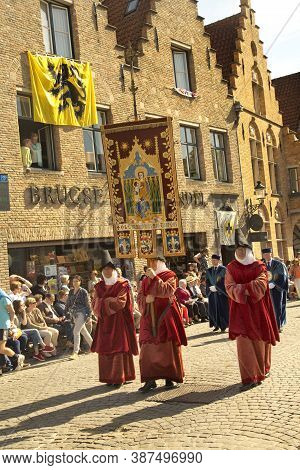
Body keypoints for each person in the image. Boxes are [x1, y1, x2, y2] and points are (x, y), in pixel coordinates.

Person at [225, 231, 279, 391]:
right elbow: (229, 287)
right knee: (244, 344)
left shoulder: (259, 266)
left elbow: (261, 284)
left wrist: (242, 288)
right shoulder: (231, 267)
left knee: (259, 341)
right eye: (237, 250)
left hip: (258, 311)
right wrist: (246, 289)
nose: (240, 252)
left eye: (243, 249)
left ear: (248, 250)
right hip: (240, 312)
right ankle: (249, 377)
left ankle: (261, 371)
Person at [137, 250, 187, 393]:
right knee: (147, 348)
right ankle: (150, 379)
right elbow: (140, 295)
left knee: (167, 347)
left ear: (159, 262)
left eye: (153, 262)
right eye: (149, 262)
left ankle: (169, 377)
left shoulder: (170, 275)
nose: (151, 265)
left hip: (165, 317)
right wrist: (145, 300)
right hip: (148, 317)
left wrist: (156, 279)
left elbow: (168, 291)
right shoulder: (145, 279)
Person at [91, 251, 138, 386]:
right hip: (104, 322)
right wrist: (105, 302)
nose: (107, 271)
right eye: (105, 269)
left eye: (109, 269)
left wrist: (103, 302)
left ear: (113, 269)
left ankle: (120, 377)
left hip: (118, 323)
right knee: (105, 350)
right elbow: (94, 303)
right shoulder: (98, 286)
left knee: (119, 348)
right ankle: (108, 378)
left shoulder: (122, 284)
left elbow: (120, 303)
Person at [66, 275, 93, 360]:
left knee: (76, 331)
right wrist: (66, 312)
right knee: (83, 331)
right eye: (73, 281)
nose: (74, 283)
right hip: (74, 313)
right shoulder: (70, 291)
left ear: (80, 282)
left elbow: (88, 304)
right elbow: (68, 303)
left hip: (82, 313)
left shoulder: (83, 291)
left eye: (76, 281)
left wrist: (89, 315)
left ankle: (75, 352)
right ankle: (94, 346)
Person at [262, 248, 288, 332]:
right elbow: (260, 276)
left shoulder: (278, 264)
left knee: (277, 307)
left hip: (277, 289)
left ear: (271, 254)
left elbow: (282, 275)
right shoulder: (261, 265)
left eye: (268, 254)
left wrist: (274, 283)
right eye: (264, 254)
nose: (266, 255)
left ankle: (278, 325)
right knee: (268, 308)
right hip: (266, 289)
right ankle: (270, 325)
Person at [0, 288, 25, 372]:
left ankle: (17, 357)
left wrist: (11, 322)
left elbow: (12, 311)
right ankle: (2, 366)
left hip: (2, 325)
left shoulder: (3, 298)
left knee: (1, 348)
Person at [206, 254, 229, 333]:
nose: (213, 262)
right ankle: (216, 325)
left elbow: (225, 281)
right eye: (212, 260)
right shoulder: (209, 270)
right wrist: (210, 288)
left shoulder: (223, 269)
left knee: (221, 309)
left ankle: (223, 325)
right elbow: (207, 281)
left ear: (219, 261)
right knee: (213, 309)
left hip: (221, 293)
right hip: (212, 293)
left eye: (215, 260)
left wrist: (217, 288)